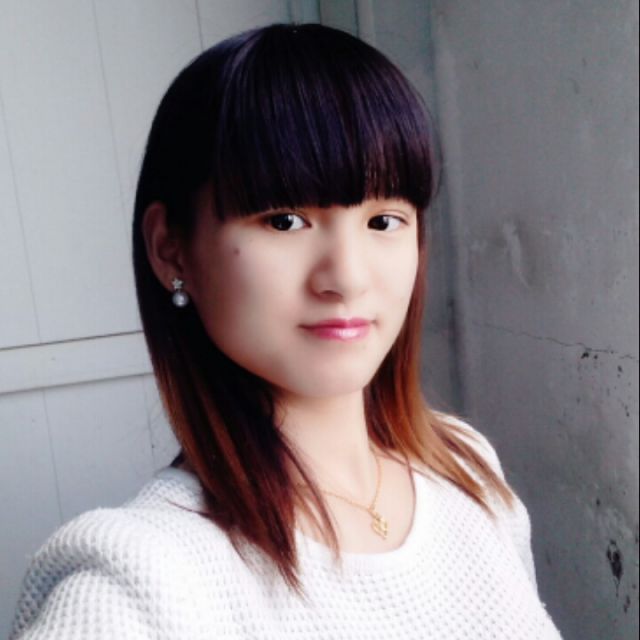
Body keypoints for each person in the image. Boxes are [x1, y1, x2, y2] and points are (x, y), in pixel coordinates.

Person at [10, 23, 563, 639]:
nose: (347, 277)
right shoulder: (134, 586)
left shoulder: (467, 467)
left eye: (384, 221)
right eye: (285, 221)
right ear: (171, 249)